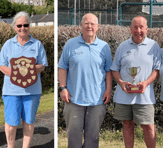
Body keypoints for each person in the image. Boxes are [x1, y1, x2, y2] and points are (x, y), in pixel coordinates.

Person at [58, 13, 112, 148]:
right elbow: (62, 67)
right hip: (74, 99)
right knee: (73, 137)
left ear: (98, 27)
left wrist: (108, 90)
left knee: (92, 139)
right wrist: (63, 88)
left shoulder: (104, 47)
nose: (89, 26)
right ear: (81, 25)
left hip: (97, 100)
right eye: (86, 23)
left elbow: (108, 71)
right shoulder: (71, 44)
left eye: (92, 24)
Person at [111, 16, 160, 148]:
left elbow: (156, 70)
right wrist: (121, 83)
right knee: (127, 125)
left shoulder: (154, 46)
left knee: (148, 127)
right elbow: (115, 69)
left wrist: (146, 83)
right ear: (130, 29)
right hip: (124, 96)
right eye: (135, 27)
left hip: (145, 96)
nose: (138, 30)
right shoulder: (123, 46)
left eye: (141, 27)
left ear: (146, 29)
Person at [0, 11, 48, 148]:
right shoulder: (8, 45)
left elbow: (42, 65)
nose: (22, 28)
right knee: (11, 123)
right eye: (19, 25)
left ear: (29, 26)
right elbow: (2, 65)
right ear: (14, 27)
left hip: (32, 91)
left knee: (28, 121)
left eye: (25, 25)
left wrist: (28, 71)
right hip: (11, 91)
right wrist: (17, 74)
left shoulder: (37, 44)